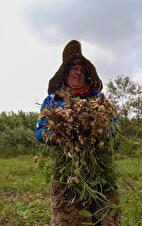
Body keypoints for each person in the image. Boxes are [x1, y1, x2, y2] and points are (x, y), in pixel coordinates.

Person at [35, 40, 121, 225]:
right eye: (74, 68)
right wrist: (59, 136)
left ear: (87, 76)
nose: (78, 72)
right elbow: (39, 131)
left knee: (107, 217)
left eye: (82, 70)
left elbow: (116, 126)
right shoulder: (52, 101)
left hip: (100, 165)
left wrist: (102, 132)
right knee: (67, 218)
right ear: (66, 73)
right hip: (68, 168)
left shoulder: (97, 99)